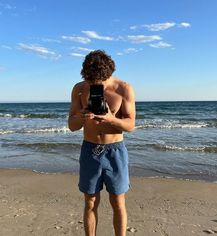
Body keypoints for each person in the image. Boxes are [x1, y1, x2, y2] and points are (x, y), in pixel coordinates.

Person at [68, 50, 135, 236]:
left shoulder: (123, 88)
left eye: (99, 81)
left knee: (118, 202)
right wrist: (81, 117)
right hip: (90, 150)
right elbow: (72, 125)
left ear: (109, 73)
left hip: (115, 151)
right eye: (91, 80)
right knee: (90, 202)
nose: (95, 84)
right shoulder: (79, 88)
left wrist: (110, 119)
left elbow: (130, 125)